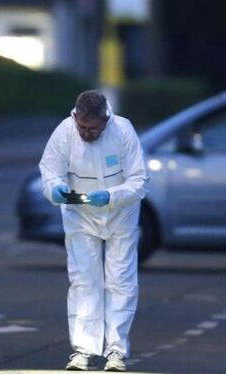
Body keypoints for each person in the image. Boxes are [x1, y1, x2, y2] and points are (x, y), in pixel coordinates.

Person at [39, 90, 147, 371]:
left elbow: (139, 182)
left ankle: (116, 350)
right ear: (75, 117)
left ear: (106, 120)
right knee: (84, 281)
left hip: (120, 214)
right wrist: (56, 189)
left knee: (120, 281)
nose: (86, 133)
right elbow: (49, 171)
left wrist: (111, 196)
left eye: (93, 129)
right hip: (80, 215)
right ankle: (84, 350)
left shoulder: (123, 131)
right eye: (82, 127)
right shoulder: (64, 132)